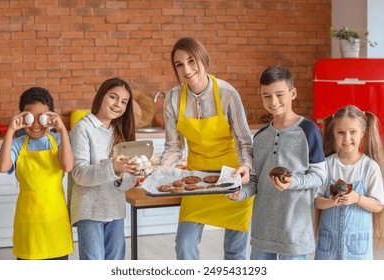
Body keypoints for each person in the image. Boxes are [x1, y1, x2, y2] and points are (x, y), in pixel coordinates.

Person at [160, 37, 254, 260]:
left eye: (191, 61)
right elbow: (174, 146)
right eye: (179, 64)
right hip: (198, 181)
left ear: (203, 59)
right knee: (184, 245)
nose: (187, 69)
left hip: (232, 177)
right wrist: (161, 167)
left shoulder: (227, 94)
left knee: (235, 252)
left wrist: (246, 167)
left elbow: (244, 141)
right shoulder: (173, 98)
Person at [228, 65, 326, 260]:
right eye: (267, 95)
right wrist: (240, 193)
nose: (273, 101)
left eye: (279, 94)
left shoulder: (309, 130)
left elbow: (320, 176)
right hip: (263, 231)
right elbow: (256, 180)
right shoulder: (261, 136)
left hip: (295, 232)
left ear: (293, 93)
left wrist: (294, 182)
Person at [0, 87, 74, 260]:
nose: (36, 123)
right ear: (22, 117)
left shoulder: (60, 140)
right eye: (31, 117)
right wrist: (10, 130)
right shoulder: (17, 144)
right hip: (29, 224)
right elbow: (2, 166)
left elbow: (67, 166)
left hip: (55, 220)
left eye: (43, 117)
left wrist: (62, 129)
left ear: (51, 117)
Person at [69, 77, 140, 260]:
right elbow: (79, 173)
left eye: (124, 102)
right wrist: (112, 166)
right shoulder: (82, 128)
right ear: (101, 96)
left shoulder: (118, 132)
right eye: (113, 97)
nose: (118, 104)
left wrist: (133, 172)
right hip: (90, 211)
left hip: (115, 210)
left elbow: (124, 184)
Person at [314, 105, 384, 260]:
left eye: (353, 132)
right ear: (333, 133)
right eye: (341, 132)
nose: (346, 138)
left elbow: (378, 205)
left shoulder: (370, 167)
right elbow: (316, 201)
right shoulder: (326, 165)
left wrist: (357, 198)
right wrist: (330, 202)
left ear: (363, 133)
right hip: (328, 248)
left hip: (358, 250)